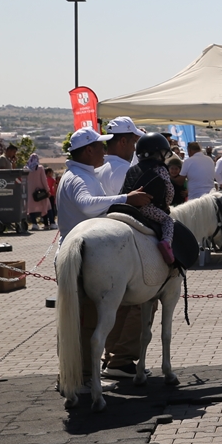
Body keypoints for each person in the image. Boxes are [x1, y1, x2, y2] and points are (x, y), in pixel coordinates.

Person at [55, 128, 152, 383]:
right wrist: (126, 198)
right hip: (79, 252)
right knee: (84, 320)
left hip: (76, 250)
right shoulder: (78, 177)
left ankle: (80, 374)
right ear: (88, 150)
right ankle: (83, 376)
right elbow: (87, 204)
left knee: (82, 319)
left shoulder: (80, 174)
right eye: (100, 146)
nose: (104, 151)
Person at [119, 132, 178, 264]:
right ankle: (166, 243)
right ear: (158, 153)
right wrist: (166, 205)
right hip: (147, 208)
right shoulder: (160, 169)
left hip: (126, 207)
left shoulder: (132, 169)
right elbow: (169, 191)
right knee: (168, 220)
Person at [98, 116, 147, 196]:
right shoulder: (122, 170)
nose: (134, 149)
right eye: (133, 142)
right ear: (123, 141)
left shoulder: (99, 167)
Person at [26, 154, 51, 229]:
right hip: (41, 191)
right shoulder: (40, 168)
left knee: (31, 208)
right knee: (45, 206)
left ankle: (34, 224)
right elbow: (44, 180)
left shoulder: (26, 168)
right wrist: (47, 190)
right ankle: (47, 224)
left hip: (30, 191)